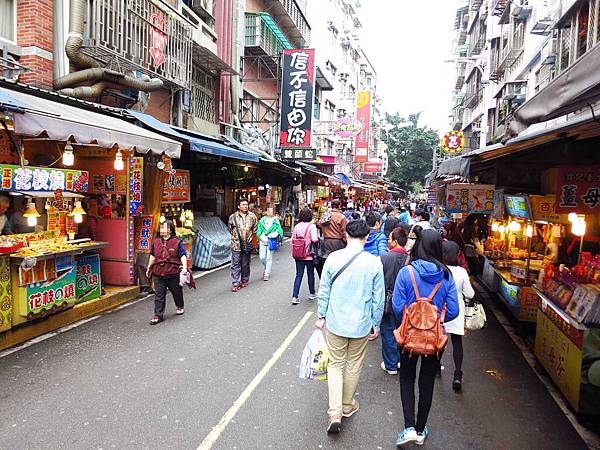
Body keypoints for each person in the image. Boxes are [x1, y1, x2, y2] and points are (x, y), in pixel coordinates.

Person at [315, 219, 385, 434]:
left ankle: (334, 412)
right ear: (366, 238)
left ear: (345, 235)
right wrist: (376, 323)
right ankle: (347, 406)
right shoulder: (374, 262)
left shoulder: (334, 258)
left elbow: (324, 289)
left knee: (335, 365)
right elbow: (378, 297)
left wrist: (321, 315)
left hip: (336, 322)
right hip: (361, 324)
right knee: (354, 365)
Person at [392, 229, 459, 447]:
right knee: (427, 381)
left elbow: (396, 306)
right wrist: (436, 319)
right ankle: (421, 429)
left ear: (418, 245)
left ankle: (408, 428)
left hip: (408, 337)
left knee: (407, 379)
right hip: (434, 339)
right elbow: (454, 311)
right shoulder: (446, 275)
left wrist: (410, 319)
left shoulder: (407, 272)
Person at [442, 240, 474, 392]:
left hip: (441, 308)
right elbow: (470, 293)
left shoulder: (439, 269)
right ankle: (457, 374)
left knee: (440, 338)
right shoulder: (461, 272)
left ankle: (435, 367)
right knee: (457, 341)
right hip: (458, 309)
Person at [379, 227, 410, 376]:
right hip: (406, 302)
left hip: (387, 301)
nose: (387, 241)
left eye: (389, 239)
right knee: (402, 331)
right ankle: (400, 361)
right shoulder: (410, 259)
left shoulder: (384, 257)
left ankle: (391, 364)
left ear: (395, 242)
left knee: (388, 331)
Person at [147, 220, 188, 325]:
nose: (162, 230)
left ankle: (180, 305)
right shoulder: (155, 242)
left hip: (172, 273)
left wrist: (184, 267)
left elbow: (182, 255)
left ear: (170, 230)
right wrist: (149, 268)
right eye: (161, 228)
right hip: (158, 272)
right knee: (159, 295)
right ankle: (158, 315)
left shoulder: (177, 242)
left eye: (164, 228)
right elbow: (152, 256)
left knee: (176, 291)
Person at [228, 199, 258, 292]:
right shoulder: (233, 217)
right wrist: (235, 237)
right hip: (236, 244)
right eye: (243, 204)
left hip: (247, 244)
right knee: (235, 263)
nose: (245, 206)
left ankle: (244, 279)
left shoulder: (252, 216)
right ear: (238, 206)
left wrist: (253, 242)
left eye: (246, 204)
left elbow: (255, 229)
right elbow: (230, 228)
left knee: (245, 264)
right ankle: (235, 282)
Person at [291, 207, 319, 305]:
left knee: (299, 274)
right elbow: (315, 239)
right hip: (308, 254)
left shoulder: (296, 226)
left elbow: (292, 240)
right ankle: (312, 293)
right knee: (310, 273)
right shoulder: (311, 226)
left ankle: (295, 296)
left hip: (298, 254)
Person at [316, 198, 347, 277]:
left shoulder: (325, 214)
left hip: (326, 242)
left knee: (327, 262)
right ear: (339, 206)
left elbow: (319, 225)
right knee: (338, 263)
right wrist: (346, 242)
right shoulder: (341, 217)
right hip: (338, 243)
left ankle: (327, 279)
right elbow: (344, 232)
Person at [256, 207, 284, 281]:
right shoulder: (262, 220)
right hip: (262, 241)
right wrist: (260, 236)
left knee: (269, 257)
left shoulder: (276, 220)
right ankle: (266, 267)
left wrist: (275, 236)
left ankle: (267, 273)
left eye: (271, 211)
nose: (270, 212)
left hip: (271, 241)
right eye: (268, 211)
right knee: (262, 257)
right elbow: (259, 229)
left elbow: (279, 230)